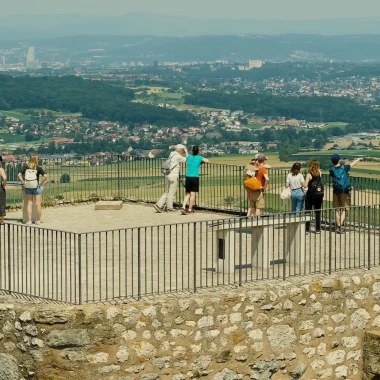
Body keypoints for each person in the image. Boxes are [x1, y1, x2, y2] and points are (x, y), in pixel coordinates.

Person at [329, 154, 363, 233]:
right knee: (345, 209)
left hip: (336, 191)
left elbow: (333, 176)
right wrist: (358, 159)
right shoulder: (344, 168)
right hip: (345, 191)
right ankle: (340, 226)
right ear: (339, 160)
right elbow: (352, 164)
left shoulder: (331, 170)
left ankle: (338, 226)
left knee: (337, 210)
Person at [154, 144, 188, 213]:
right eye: (183, 151)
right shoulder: (178, 156)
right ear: (181, 150)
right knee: (171, 192)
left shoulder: (171, 153)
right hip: (173, 176)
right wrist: (186, 151)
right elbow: (186, 159)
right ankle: (169, 208)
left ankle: (158, 204)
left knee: (167, 191)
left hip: (167, 174)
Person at [18, 154, 47, 225]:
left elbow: (19, 175)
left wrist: (24, 183)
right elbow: (45, 176)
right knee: (38, 204)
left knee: (29, 204)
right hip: (36, 187)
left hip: (28, 187)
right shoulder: (38, 168)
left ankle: (29, 220)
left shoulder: (26, 167)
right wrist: (41, 183)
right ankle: (38, 220)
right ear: (37, 160)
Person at [180, 146, 209, 215]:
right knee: (193, 194)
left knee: (187, 194)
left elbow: (186, 156)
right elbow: (207, 161)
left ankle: (183, 207)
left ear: (192, 151)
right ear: (198, 151)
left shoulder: (189, 157)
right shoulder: (199, 158)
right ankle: (190, 209)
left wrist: (186, 151)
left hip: (188, 176)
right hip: (195, 177)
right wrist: (201, 162)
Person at [304, 160, 323, 233]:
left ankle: (307, 228)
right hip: (318, 195)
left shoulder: (309, 174)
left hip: (310, 194)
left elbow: (305, 185)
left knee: (308, 211)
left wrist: (302, 184)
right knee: (317, 212)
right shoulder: (320, 173)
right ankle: (318, 229)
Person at [0, 157, 7, 224]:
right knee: (1, 203)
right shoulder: (1, 169)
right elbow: (4, 178)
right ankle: (1, 220)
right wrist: (3, 186)